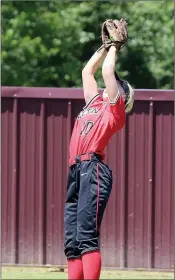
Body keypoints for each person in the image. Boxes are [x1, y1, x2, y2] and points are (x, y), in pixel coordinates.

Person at [64, 19, 134, 280]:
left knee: (86, 236)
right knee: (72, 241)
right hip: (76, 169)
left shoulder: (115, 111)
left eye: (114, 85)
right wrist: (104, 45)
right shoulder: (95, 102)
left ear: (121, 95)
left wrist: (115, 47)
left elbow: (106, 72)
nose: (108, 86)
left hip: (93, 170)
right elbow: (87, 71)